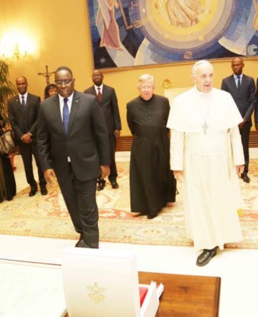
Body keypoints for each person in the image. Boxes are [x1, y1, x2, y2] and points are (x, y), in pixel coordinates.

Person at [167, 60, 244, 267]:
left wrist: (239, 159)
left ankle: (221, 234)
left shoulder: (225, 98)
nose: (208, 80)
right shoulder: (181, 102)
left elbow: (234, 132)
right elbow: (176, 136)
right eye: (203, 76)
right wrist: (176, 165)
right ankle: (208, 242)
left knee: (220, 197)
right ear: (194, 78)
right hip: (194, 161)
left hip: (221, 159)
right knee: (200, 200)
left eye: (210, 75)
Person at [37, 66, 110, 248]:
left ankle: (92, 242)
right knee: (72, 203)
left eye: (67, 81)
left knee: (88, 205)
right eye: (59, 82)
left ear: (73, 81)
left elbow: (101, 134)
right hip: (62, 166)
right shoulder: (45, 106)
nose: (63, 85)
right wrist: (46, 166)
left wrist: (105, 163)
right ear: (55, 83)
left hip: (86, 162)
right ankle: (83, 233)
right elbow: (42, 138)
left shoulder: (89, 101)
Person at [126, 74, 176, 219]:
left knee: (161, 173)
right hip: (142, 145)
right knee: (145, 175)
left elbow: (168, 122)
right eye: (143, 87)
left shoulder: (163, 102)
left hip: (161, 141)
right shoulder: (131, 105)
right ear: (138, 88)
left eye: (149, 86)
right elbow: (132, 127)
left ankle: (161, 201)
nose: (146, 90)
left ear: (154, 87)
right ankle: (148, 206)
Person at [8, 76, 46, 197]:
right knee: (27, 164)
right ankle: (33, 185)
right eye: (19, 84)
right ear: (16, 85)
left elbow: (39, 118)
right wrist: (22, 136)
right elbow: (12, 121)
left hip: (34, 138)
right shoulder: (12, 102)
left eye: (23, 83)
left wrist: (30, 133)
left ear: (27, 84)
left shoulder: (35, 99)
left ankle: (43, 184)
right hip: (22, 141)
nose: (21, 86)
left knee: (40, 163)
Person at [84, 69, 121, 191]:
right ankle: (100, 180)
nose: (96, 77)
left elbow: (115, 109)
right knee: (98, 156)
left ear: (102, 76)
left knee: (110, 154)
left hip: (109, 129)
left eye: (98, 75)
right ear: (91, 78)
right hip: (94, 131)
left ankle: (113, 178)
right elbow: (86, 113)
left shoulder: (110, 90)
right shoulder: (87, 93)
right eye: (93, 75)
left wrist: (117, 127)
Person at [221, 57, 256, 183]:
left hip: (245, 121)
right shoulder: (226, 82)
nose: (236, 67)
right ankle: (232, 171)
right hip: (231, 122)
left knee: (244, 146)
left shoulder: (250, 80)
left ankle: (244, 172)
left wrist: (245, 118)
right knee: (230, 147)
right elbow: (223, 103)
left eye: (238, 65)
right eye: (233, 65)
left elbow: (253, 101)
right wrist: (233, 119)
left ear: (243, 65)